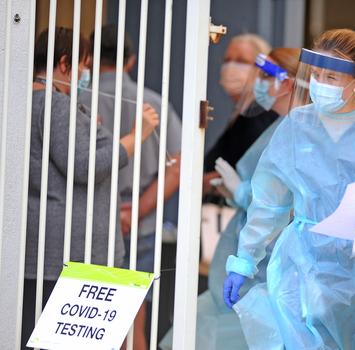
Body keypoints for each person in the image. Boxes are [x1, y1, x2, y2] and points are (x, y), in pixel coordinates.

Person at [222, 29, 355, 349]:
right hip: (304, 260)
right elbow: (269, 201)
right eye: (316, 74)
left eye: (332, 77)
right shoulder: (297, 125)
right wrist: (245, 259)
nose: (320, 84)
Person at [159, 47, 305, 350]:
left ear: (289, 83)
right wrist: (238, 193)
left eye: (266, 76)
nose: (259, 83)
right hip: (253, 251)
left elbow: (291, 198)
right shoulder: (282, 127)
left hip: (273, 258)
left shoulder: (302, 132)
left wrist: (243, 192)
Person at [22, 27, 159, 348]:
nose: (86, 74)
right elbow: (85, 166)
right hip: (69, 250)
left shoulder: (23, 100)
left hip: (43, 244)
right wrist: (137, 134)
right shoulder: (54, 104)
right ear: (65, 63)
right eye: (83, 66)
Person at [79, 24, 182, 350]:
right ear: (131, 60)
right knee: (134, 321)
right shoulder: (153, 104)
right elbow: (178, 166)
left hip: (85, 221)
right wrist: (138, 210)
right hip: (140, 223)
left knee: (85, 319)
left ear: (89, 59)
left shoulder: (75, 102)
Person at [203, 34, 277, 170]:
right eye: (227, 60)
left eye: (241, 61)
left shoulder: (258, 115)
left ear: (263, 70)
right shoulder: (243, 112)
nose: (231, 67)